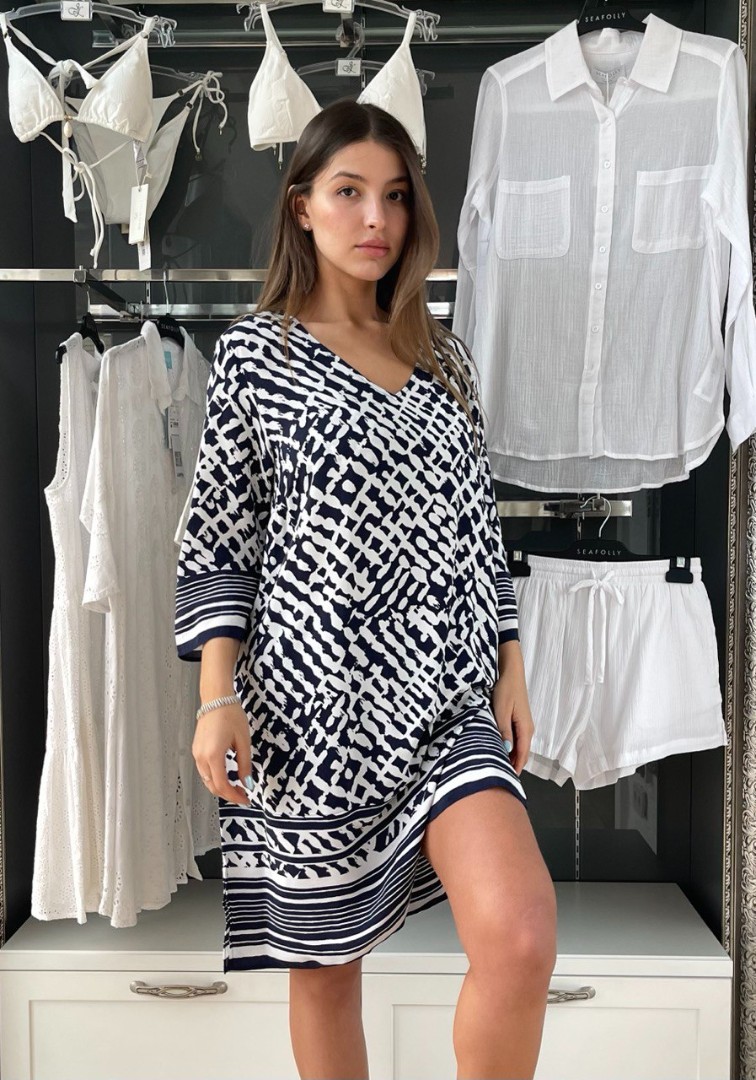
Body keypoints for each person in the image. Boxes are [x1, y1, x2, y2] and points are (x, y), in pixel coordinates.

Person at [175, 97, 557, 1080]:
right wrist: (216, 696)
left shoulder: (444, 359)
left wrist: (511, 663)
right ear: (301, 206)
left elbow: (478, 525)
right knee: (325, 976)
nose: (375, 218)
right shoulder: (255, 356)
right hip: (313, 714)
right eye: (348, 193)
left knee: (519, 935)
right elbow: (221, 537)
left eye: (394, 196)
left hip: (448, 701)